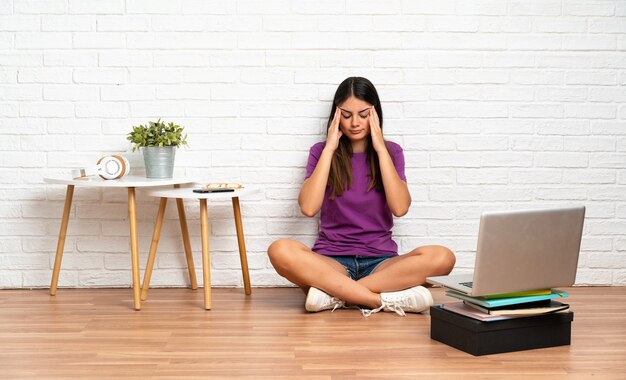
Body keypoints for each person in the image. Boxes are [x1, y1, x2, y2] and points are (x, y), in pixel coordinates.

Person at [267, 77, 456, 317]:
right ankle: (380, 300)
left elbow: (400, 208)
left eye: (363, 114)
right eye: (346, 115)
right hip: (332, 262)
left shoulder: (391, 152)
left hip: (381, 264)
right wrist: (329, 148)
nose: (354, 123)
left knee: (442, 257)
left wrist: (379, 147)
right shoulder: (320, 151)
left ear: (375, 114)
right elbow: (308, 207)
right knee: (280, 249)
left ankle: (336, 295)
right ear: (336, 116)